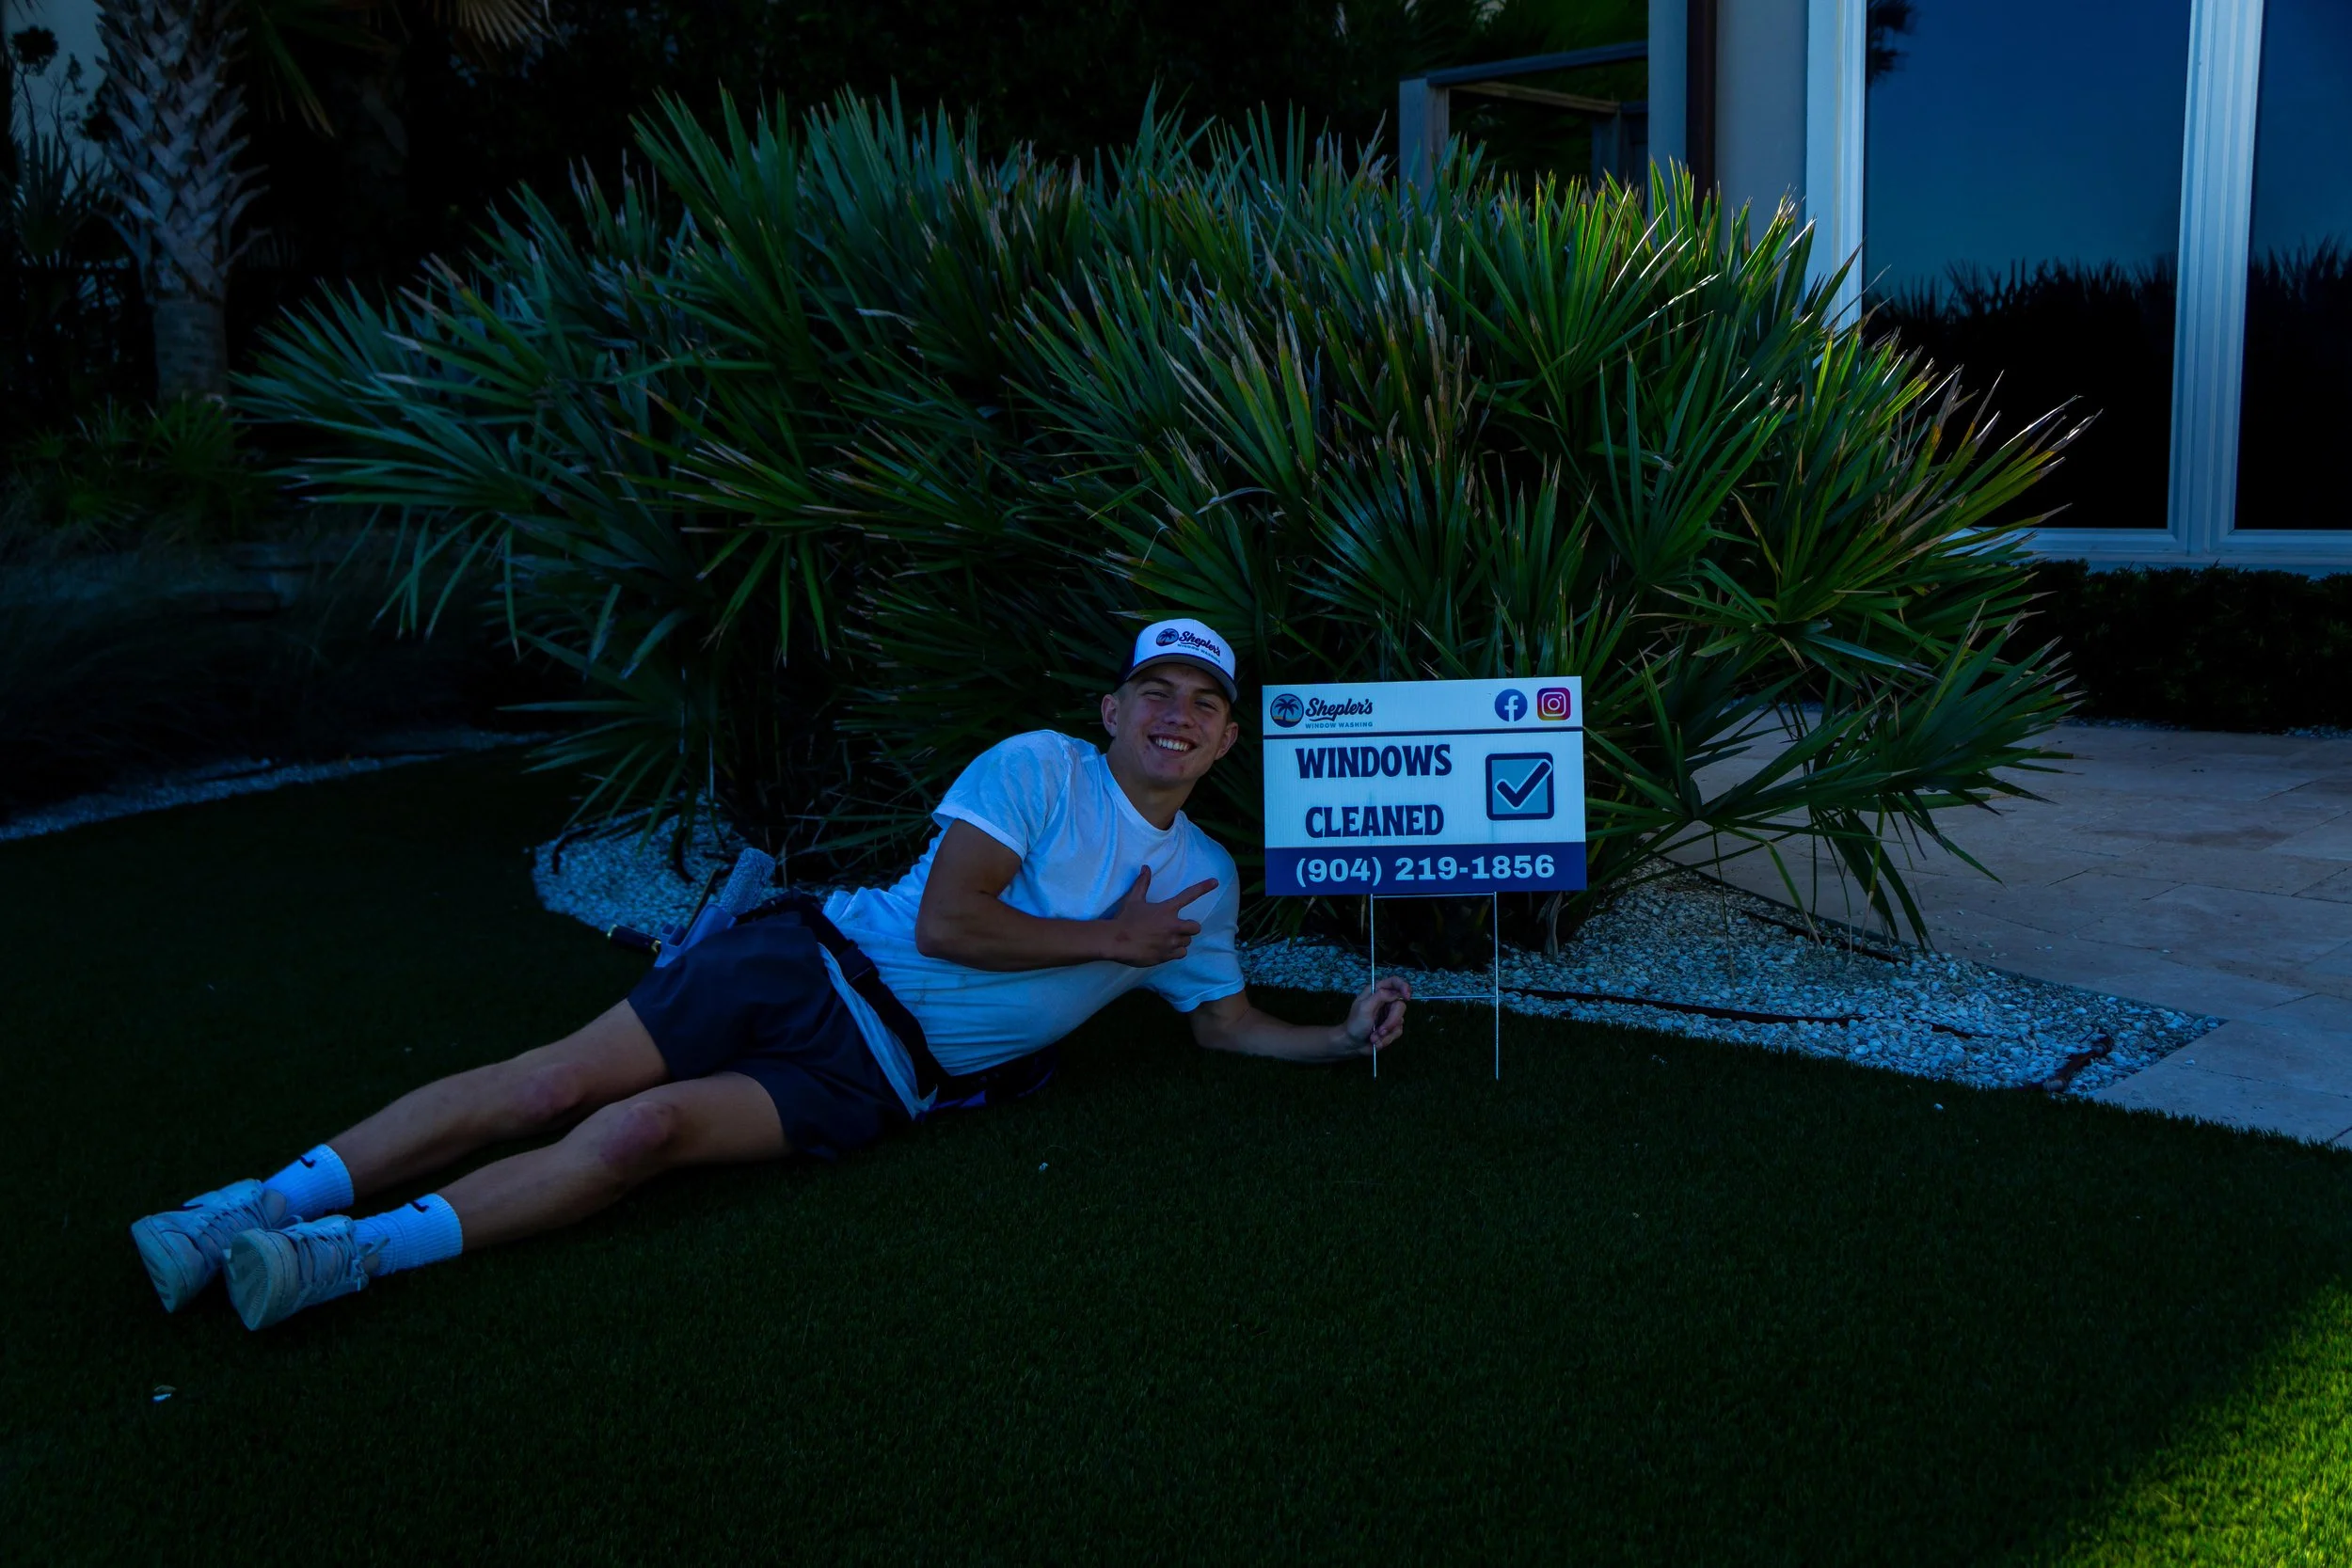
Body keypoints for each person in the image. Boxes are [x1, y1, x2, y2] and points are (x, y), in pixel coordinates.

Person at [131, 618, 1412, 1330]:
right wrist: (1106, 942)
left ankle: (346, 1254)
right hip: (806, 961)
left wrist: (1339, 1036)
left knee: (636, 1134)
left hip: (880, 1073)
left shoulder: (1204, 877)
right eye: (1155, 691)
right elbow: (953, 922)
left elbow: (1224, 1023)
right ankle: (247, 1206)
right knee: (551, 1083)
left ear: (1227, 737)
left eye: (1204, 701)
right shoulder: (1039, 767)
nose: (1177, 713)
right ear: (1111, 710)